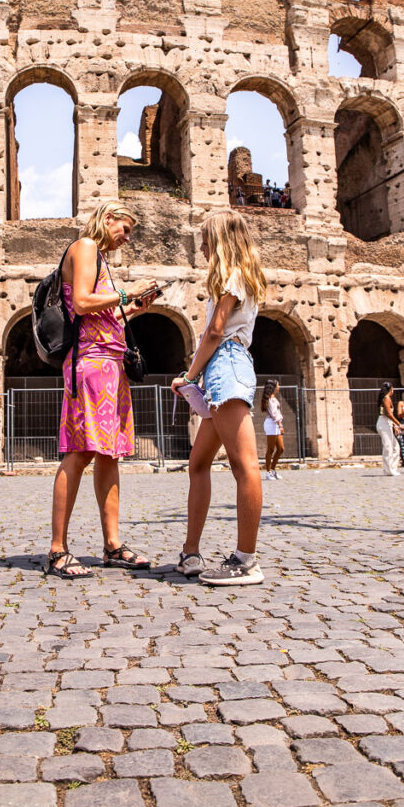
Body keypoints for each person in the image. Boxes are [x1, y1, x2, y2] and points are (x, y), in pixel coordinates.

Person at [47, 202, 158, 579]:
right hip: (90, 365)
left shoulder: (103, 260)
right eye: (124, 229)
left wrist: (136, 307)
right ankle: (57, 549)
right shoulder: (85, 247)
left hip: (111, 364)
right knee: (79, 452)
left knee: (109, 454)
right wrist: (127, 293)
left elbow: (106, 316)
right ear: (106, 219)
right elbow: (80, 303)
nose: (126, 238)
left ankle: (112, 545)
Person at [171, 210, 267, 586]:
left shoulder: (234, 275)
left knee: (244, 465)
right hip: (219, 369)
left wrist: (188, 376)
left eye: (207, 237)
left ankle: (245, 560)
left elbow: (215, 332)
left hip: (226, 364)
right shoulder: (235, 276)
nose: (203, 244)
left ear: (223, 240)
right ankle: (190, 553)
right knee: (198, 463)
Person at [376, 381, 402, 476]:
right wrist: (398, 424)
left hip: (387, 423)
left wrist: (394, 426)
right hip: (383, 423)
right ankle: (388, 470)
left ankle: (392, 468)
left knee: (395, 447)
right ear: (391, 389)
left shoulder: (387, 398)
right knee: (388, 447)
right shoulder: (386, 398)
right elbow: (388, 414)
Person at [261, 379, 284, 480]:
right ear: (273, 387)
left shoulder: (273, 398)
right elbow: (274, 414)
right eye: (278, 385)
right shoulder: (270, 399)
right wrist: (280, 425)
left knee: (281, 448)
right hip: (272, 423)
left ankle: (273, 470)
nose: (279, 387)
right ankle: (268, 472)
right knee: (271, 449)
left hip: (276, 423)